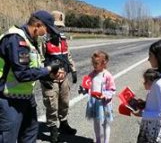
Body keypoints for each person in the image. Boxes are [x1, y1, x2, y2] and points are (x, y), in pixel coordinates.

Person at [0, 10, 64, 143]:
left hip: (26, 97)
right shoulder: (15, 39)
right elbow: (22, 74)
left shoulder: (31, 41)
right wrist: (48, 69)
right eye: (46, 29)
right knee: (8, 139)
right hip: (8, 100)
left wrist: (51, 75)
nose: (46, 34)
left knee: (30, 135)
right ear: (38, 25)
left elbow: (34, 69)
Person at [40, 10, 77, 143]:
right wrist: (43, 77)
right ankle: (53, 129)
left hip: (64, 77)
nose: (58, 28)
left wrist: (73, 70)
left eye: (60, 26)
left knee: (65, 102)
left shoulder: (63, 39)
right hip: (50, 78)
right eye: (56, 25)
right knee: (52, 105)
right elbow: (39, 60)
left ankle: (64, 124)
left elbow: (68, 55)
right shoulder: (43, 40)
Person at [85, 50, 116, 143]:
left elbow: (112, 89)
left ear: (104, 63)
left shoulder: (107, 75)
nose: (94, 65)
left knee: (106, 123)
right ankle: (98, 140)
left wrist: (105, 96)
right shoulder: (92, 74)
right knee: (96, 123)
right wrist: (84, 89)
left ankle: (106, 141)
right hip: (94, 103)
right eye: (93, 63)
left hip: (105, 104)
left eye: (96, 63)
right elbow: (88, 85)